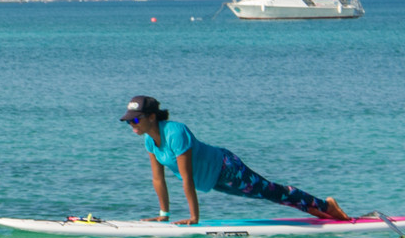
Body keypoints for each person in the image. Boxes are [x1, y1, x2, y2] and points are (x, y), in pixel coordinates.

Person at [125, 94, 348, 224]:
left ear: (152, 117)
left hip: (226, 168)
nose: (132, 124)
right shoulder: (149, 141)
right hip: (212, 181)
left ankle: (325, 205)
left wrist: (194, 218)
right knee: (266, 195)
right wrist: (164, 215)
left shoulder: (175, 132)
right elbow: (158, 180)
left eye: (135, 120)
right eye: (129, 121)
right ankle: (311, 208)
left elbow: (187, 178)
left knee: (269, 190)